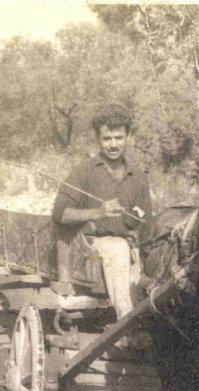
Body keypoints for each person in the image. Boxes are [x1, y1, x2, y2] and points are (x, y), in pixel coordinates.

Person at [51, 103, 152, 318]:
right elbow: (59, 214)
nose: (113, 145)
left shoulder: (139, 177)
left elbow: (145, 218)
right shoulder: (84, 171)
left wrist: (138, 229)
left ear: (128, 137)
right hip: (91, 246)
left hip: (128, 246)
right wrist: (99, 212)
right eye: (107, 139)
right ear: (98, 139)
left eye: (119, 138)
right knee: (117, 249)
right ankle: (128, 325)